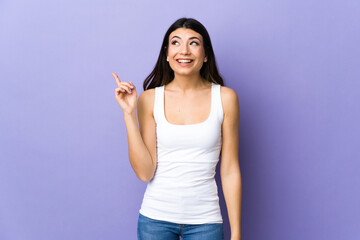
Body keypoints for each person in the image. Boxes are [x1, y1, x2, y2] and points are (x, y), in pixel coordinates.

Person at [113, 17, 242, 240]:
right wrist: (128, 115)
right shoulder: (149, 99)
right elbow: (145, 172)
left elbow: (230, 169)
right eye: (175, 43)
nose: (184, 50)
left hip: (205, 220)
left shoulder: (225, 98)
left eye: (193, 43)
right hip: (155, 219)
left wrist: (237, 233)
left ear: (205, 55)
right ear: (166, 54)